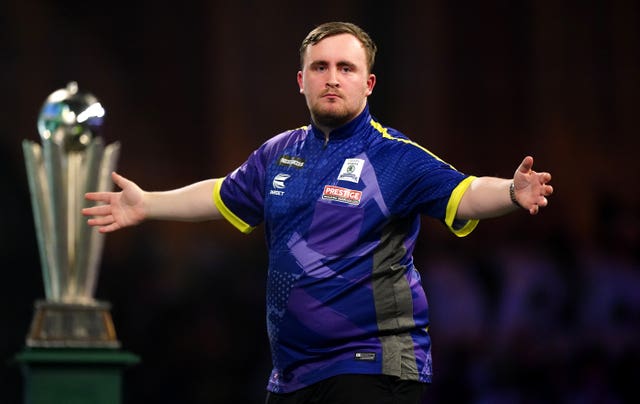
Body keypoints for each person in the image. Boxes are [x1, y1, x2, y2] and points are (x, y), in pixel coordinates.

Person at [83, 21, 553, 404]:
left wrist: (511, 191)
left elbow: (465, 192)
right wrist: (148, 203)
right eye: (320, 67)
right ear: (301, 80)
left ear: (368, 84)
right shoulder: (278, 153)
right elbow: (222, 195)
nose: (332, 77)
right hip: (290, 376)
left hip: (373, 365)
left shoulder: (394, 157)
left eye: (346, 68)